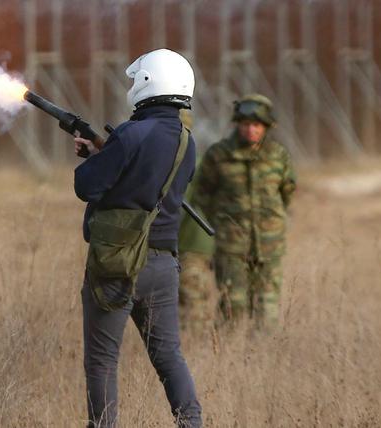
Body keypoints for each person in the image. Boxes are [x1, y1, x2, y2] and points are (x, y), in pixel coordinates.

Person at [73, 48, 202, 428]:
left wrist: (96, 158)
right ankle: (191, 423)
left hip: (119, 263)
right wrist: (105, 152)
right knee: (168, 357)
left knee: (102, 360)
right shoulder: (186, 141)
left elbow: (88, 186)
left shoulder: (130, 134)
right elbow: (149, 182)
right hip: (164, 265)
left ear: (147, 83)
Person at [194, 94, 296, 328]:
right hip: (232, 245)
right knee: (233, 305)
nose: (251, 130)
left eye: (256, 125)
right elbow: (203, 194)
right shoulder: (219, 155)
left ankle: (262, 358)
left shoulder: (277, 156)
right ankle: (226, 357)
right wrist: (222, 224)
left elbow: (287, 192)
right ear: (238, 124)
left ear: (266, 127)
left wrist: (271, 221)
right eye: (246, 124)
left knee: (267, 308)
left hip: (270, 244)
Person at [176, 110, 217, 332]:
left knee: (194, 304)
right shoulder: (199, 161)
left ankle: (197, 351)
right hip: (195, 246)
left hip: (192, 246)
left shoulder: (187, 164)